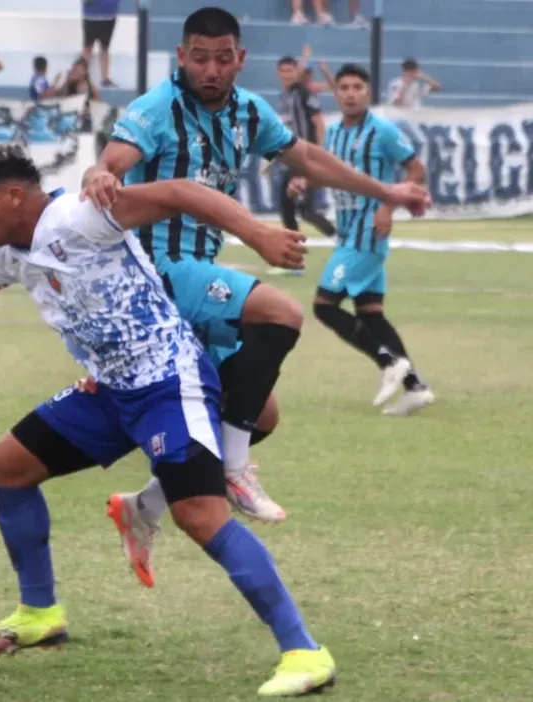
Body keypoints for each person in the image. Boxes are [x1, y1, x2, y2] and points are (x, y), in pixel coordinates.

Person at [0, 144, 335, 697]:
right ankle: (40, 613)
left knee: (200, 516)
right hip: (108, 391)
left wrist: (259, 235)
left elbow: (181, 193)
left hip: (168, 385)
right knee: (8, 468)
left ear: (14, 197)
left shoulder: (80, 218)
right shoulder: (9, 250)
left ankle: (304, 651)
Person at [81, 7, 430, 586]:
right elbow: (115, 159)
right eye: (200, 57)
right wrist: (100, 172)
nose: (211, 69)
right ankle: (235, 470)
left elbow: (311, 159)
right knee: (283, 311)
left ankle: (141, 507)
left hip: (197, 275)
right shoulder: (154, 109)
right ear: (182, 57)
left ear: (240, 59)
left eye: (223, 58)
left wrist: (387, 189)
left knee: (258, 411)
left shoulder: (249, 111)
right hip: (153, 273)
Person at [289, 64, 436, 417]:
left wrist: (388, 207)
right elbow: (334, 174)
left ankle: (387, 362)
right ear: (336, 93)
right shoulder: (335, 132)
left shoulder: (383, 131)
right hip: (348, 232)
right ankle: (415, 387)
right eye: (344, 87)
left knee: (324, 305)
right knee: (371, 315)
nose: (351, 93)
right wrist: (306, 181)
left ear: (368, 92)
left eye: (357, 87)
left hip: (368, 233)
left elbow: (416, 169)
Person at [276, 55, 336, 239]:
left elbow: (318, 123)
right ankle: (294, 250)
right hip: (291, 158)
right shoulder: (286, 97)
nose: (287, 75)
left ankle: (340, 237)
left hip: (305, 159)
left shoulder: (303, 93)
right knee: (289, 208)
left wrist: (318, 152)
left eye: (290, 71)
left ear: (297, 72)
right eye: (283, 71)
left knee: (304, 210)